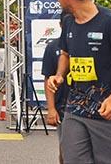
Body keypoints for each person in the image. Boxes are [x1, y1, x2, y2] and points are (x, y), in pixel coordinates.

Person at [48, 0, 111, 164]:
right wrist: (59, 75)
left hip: (108, 113)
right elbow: (65, 53)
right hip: (75, 109)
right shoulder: (69, 22)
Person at [42, 11, 70, 164]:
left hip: (87, 106)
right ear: (60, 25)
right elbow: (48, 79)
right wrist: (51, 109)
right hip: (63, 106)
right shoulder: (53, 48)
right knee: (65, 149)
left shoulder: (87, 43)